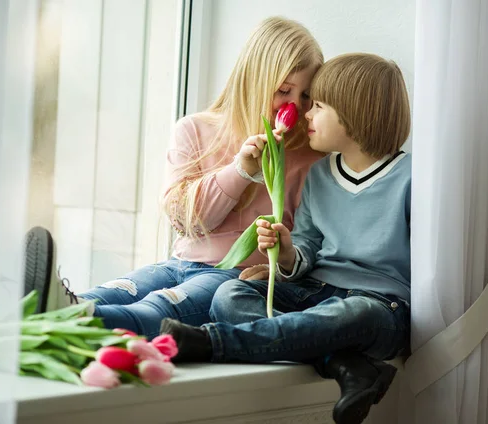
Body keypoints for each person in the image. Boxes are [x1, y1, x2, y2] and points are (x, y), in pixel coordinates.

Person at [23, 16, 324, 339]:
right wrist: (240, 171)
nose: (294, 105)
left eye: (306, 96)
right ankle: (48, 311)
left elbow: (311, 242)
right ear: (255, 80)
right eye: (283, 90)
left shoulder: (309, 157)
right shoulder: (194, 129)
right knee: (119, 290)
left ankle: (72, 318)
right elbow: (185, 219)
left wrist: (278, 272)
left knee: (159, 309)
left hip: (233, 276)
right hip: (178, 262)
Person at [158, 53, 412, 424]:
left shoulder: (411, 178)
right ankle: (344, 364)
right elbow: (308, 245)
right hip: (317, 292)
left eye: (319, 105)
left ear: (357, 113)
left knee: (353, 313)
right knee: (229, 295)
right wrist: (289, 251)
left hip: (379, 305)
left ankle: (212, 343)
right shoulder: (320, 175)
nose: (306, 113)